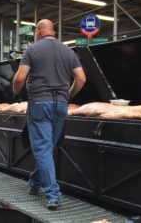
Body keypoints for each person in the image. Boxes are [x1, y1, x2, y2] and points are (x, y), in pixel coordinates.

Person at [12, 19, 86, 210]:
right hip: (61, 105)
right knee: (48, 147)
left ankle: (52, 194)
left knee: (43, 149)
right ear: (53, 31)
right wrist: (67, 95)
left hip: (39, 103)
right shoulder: (68, 51)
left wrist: (16, 91)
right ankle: (35, 182)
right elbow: (81, 79)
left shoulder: (32, 50)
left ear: (38, 31)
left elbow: (20, 77)